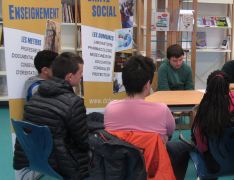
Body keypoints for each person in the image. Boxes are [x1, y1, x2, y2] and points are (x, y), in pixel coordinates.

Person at [104, 55, 191, 180]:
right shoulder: (161, 109)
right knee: (181, 147)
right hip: (152, 164)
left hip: (121, 164)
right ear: (147, 85)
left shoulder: (110, 108)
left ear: (124, 82)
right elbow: (170, 131)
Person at [13, 52, 89, 180]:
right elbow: (83, 143)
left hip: (33, 158)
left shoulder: (36, 94)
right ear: (70, 76)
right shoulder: (73, 102)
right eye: (80, 72)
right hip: (61, 163)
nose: (82, 76)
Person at [192, 70, 234, 173]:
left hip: (216, 164)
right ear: (228, 87)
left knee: (197, 147)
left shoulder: (201, 111)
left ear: (208, 87)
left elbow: (202, 146)